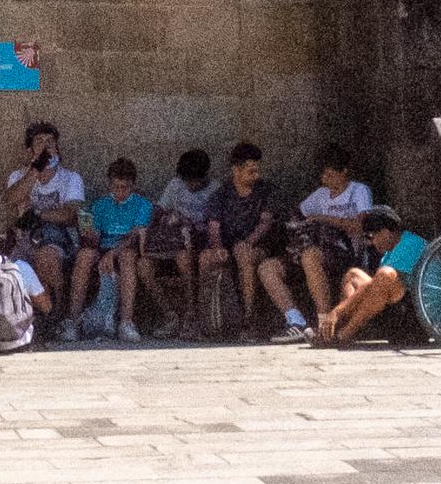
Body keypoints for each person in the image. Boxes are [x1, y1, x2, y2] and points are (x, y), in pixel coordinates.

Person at [205, 142, 307, 339]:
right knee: (205, 259)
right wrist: (217, 248)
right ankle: (206, 320)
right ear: (236, 169)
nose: (256, 175)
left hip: (260, 246)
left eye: (257, 170)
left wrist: (248, 242)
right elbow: (214, 226)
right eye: (251, 171)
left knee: (244, 255)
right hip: (229, 245)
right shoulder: (221, 194)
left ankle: (248, 317)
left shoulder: (266, 190)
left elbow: (265, 222)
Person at [2, 121, 87, 334]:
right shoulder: (18, 176)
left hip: (61, 239)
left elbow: (70, 213)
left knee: (46, 257)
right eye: (40, 142)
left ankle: (57, 315)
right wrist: (34, 172)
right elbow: (11, 199)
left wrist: (38, 213)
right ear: (30, 150)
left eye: (51, 142)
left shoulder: (71, 178)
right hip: (26, 238)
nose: (47, 146)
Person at [313, 208, 428, 347]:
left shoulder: (410, 243)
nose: (371, 242)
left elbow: (379, 284)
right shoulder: (392, 251)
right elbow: (372, 289)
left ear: (385, 232)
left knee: (384, 276)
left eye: (371, 236)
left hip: (420, 321)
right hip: (400, 310)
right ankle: (333, 331)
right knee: (353, 275)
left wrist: (338, 311)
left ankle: (343, 335)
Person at [74, 157, 154, 340]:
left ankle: (126, 322)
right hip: (103, 248)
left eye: (124, 187)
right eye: (115, 187)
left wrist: (112, 253)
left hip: (126, 248)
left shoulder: (143, 205)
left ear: (132, 185)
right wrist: (88, 231)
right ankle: (73, 320)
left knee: (126, 257)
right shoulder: (101, 205)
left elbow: (135, 234)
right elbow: (95, 238)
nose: (119, 192)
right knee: (85, 255)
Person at [293, 150, 376, 320]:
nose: (325, 180)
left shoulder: (358, 191)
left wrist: (324, 218)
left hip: (352, 251)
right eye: (323, 175)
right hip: (327, 250)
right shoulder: (321, 195)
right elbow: (299, 213)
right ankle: (323, 318)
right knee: (309, 256)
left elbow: (359, 225)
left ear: (344, 171)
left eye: (330, 175)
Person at [148, 148, 217, 334]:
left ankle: (191, 313)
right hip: (171, 240)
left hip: (198, 243)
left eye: (194, 180)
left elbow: (214, 226)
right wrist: (164, 221)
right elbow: (158, 211)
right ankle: (169, 315)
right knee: (143, 265)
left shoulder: (214, 191)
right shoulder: (175, 185)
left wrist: (191, 224)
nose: (189, 185)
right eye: (186, 180)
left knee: (183, 257)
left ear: (204, 176)